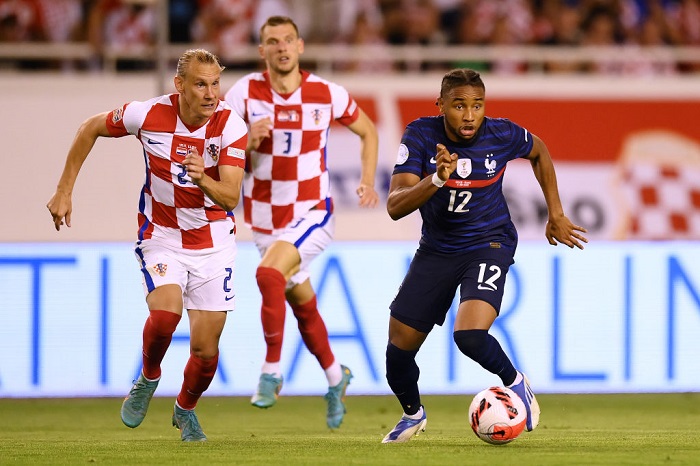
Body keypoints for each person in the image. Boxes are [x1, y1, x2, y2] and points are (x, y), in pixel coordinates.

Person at [46, 48, 248, 442]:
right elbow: (90, 127)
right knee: (166, 317)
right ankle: (148, 376)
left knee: (206, 353)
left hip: (214, 243)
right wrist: (64, 190)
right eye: (201, 84)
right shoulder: (147, 114)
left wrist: (203, 178)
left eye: (216, 84)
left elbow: (230, 197)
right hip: (162, 236)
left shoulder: (230, 125)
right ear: (179, 85)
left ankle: (185, 409)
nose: (211, 94)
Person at [381, 68, 588, 443]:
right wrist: (436, 179)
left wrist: (555, 212)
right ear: (440, 106)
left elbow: (538, 150)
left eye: (477, 105)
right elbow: (395, 206)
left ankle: (516, 383)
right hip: (437, 249)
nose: (470, 115)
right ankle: (412, 414)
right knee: (397, 351)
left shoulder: (501, 133)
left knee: (471, 336)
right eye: (459, 106)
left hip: (488, 242)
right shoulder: (420, 135)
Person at [224, 15, 379, 429]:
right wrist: (245, 143)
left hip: (312, 213)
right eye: (272, 41)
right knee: (303, 305)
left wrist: (366, 179)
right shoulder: (243, 93)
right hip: (263, 219)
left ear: (300, 45)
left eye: (288, 40)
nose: (281, 47)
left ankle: (272, 370)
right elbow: (218, 151)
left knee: (269, 275)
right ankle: (335, 376)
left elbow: (368, 131)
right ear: (262, 51)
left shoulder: (325, 93)